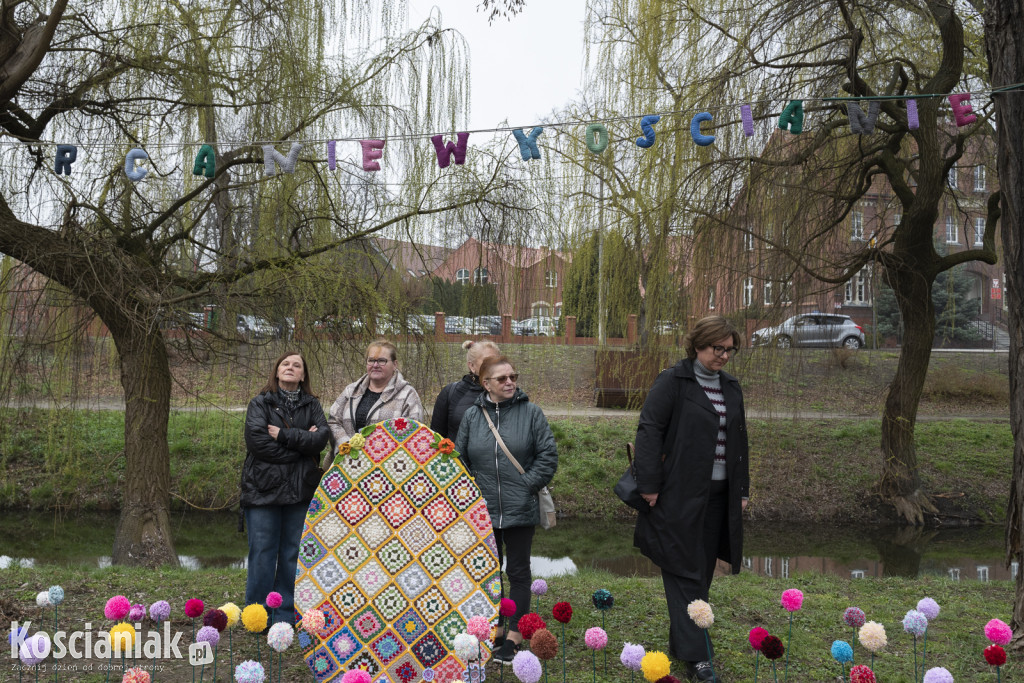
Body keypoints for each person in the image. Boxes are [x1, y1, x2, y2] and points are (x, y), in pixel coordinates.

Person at [632, 316, 749, 682]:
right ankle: (699, 657)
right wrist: (648, 484)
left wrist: (741, 489)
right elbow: (649, 430)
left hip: (718, 496)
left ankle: (686, 641)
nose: (725, 357)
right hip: (677, 495)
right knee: (682, 570)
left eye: (730, 350)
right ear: (698, 344)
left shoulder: (731, 387)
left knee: (699, 574)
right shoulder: (674, 381)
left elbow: (739, 442)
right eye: (719, 349)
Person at [454, 355, 558, 665]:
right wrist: (472, 495)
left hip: (519, 507)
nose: (510, 381)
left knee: (518, 572)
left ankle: (514, 635)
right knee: (486, 573)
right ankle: (490, 629)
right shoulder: (473, 417)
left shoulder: (531, 413)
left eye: (513, 376)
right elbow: (460, 460)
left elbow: (548, 456)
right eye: (502, 378)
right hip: (482, 511)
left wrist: (527, 485)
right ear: (486, 384)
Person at [242, 351, 330, 624]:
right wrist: (301, 448)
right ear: (277, 371)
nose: (291, 368)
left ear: (303, 375)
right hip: (263, 490)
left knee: (293, 552)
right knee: (263, 553)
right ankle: (257, 615)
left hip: (300, 491)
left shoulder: (312, 404)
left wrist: (284, 435)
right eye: (285, 364)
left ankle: (284, 614)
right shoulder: (260, 403)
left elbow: (322, 440)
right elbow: (259, 445)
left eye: (297, 365)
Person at [328, 339, 424, 448]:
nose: (375, 365)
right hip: (346, 460)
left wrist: (375, 452)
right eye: (371, 360)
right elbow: (333, 421)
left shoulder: (407, 395)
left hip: (387, 462)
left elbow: (414, 433)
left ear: (394, 364)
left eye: (382, 360)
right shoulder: (351, 391)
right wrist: (347, 446)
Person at [431, 340, 501, 439]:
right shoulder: (450, 393)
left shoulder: (509, 393)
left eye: (497, 361)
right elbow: (436, 438)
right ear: (472, 366)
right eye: (487, 361)